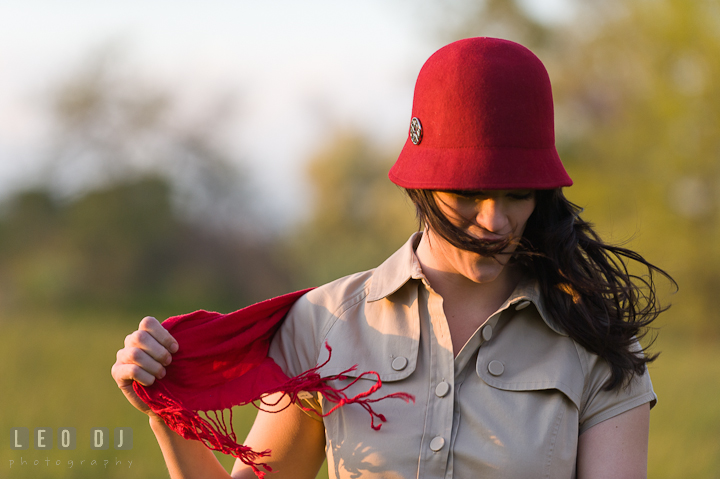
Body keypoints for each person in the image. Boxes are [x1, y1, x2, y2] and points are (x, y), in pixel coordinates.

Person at [111, 37, 673, 479]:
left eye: (517, 195)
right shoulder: (325, 323)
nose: (495, 221)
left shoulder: (597, 344)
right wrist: (165, 405)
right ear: (424, 189)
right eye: (468, 195)